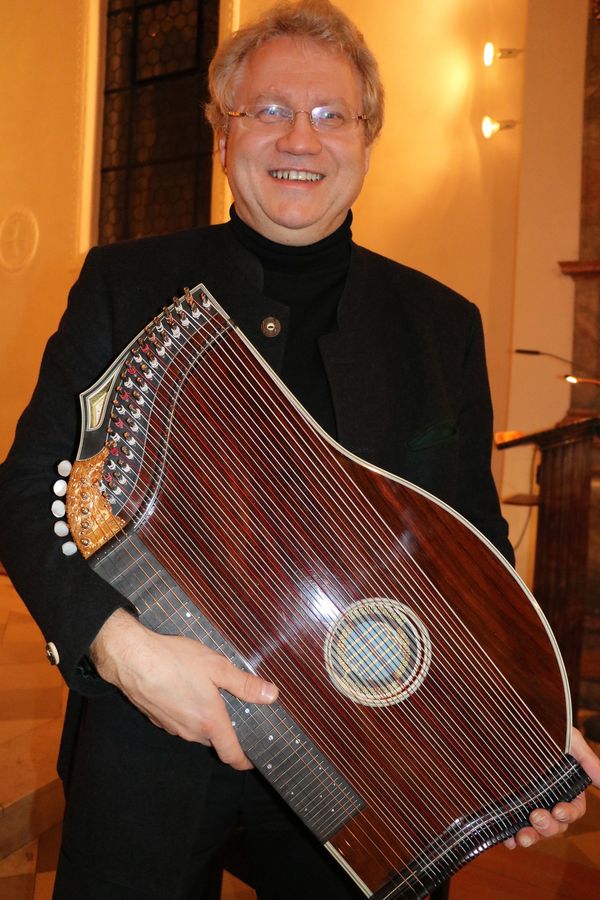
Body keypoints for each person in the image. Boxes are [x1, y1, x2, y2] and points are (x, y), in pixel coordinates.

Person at [0, 1, 598, 898]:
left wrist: (526, 723)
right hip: (151, 729)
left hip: (370, 744)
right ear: (222, 131)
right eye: (269, 110)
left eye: (331, 116)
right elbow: (23, 494)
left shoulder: (440, 324)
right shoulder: (124, 285)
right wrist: (123, 652)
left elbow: (467, 546)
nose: (300, 140)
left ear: (368, 139)